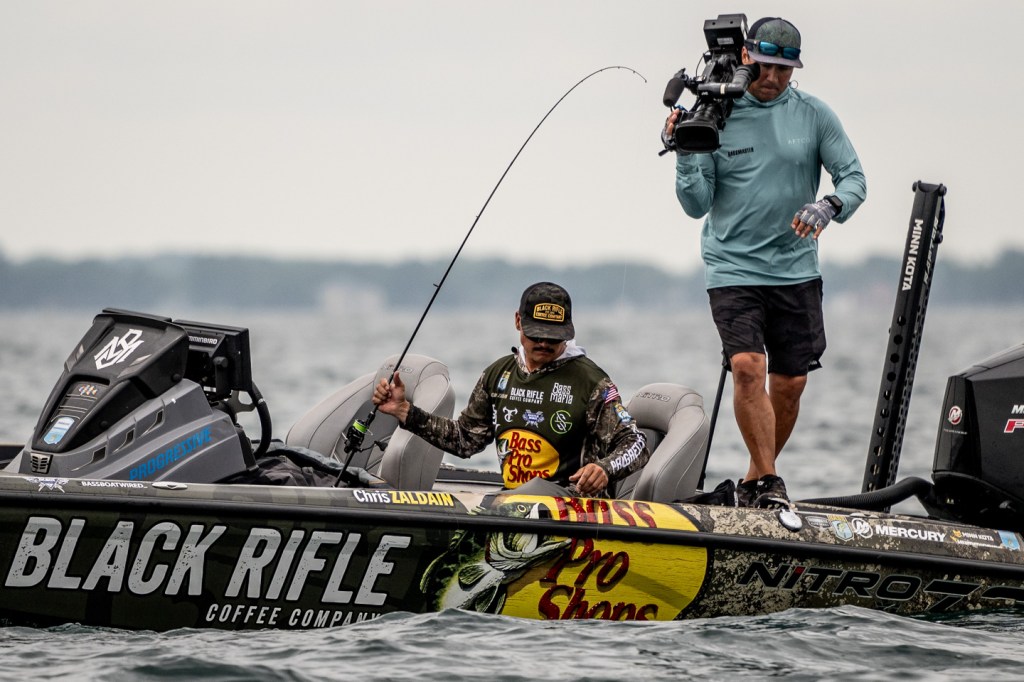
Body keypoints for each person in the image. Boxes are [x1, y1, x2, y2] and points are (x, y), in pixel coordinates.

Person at [662, 17, 867, 508]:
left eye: (784, 69)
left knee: (790, 384)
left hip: (796, 270)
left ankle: (754, 480)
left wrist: (829, 206)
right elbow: (696, 204)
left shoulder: (814, 115)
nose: (773, 77)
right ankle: (772, 481)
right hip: (732, 268)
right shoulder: (717, 113)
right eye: (765, 66)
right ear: (746, 56)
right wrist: (686, 153)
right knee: (748, 367)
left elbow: (854, 179)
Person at [372, 282, 649, 497]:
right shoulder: (498, 374)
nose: (543, 343)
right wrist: (405, 411)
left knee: (533, 491)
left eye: (553, 337)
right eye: (536, 334)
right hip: (515, 505)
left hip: (573, 509)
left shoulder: (592, 383)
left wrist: (604, 468)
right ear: (518, 321)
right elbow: (465, 439)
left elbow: (636, 443)